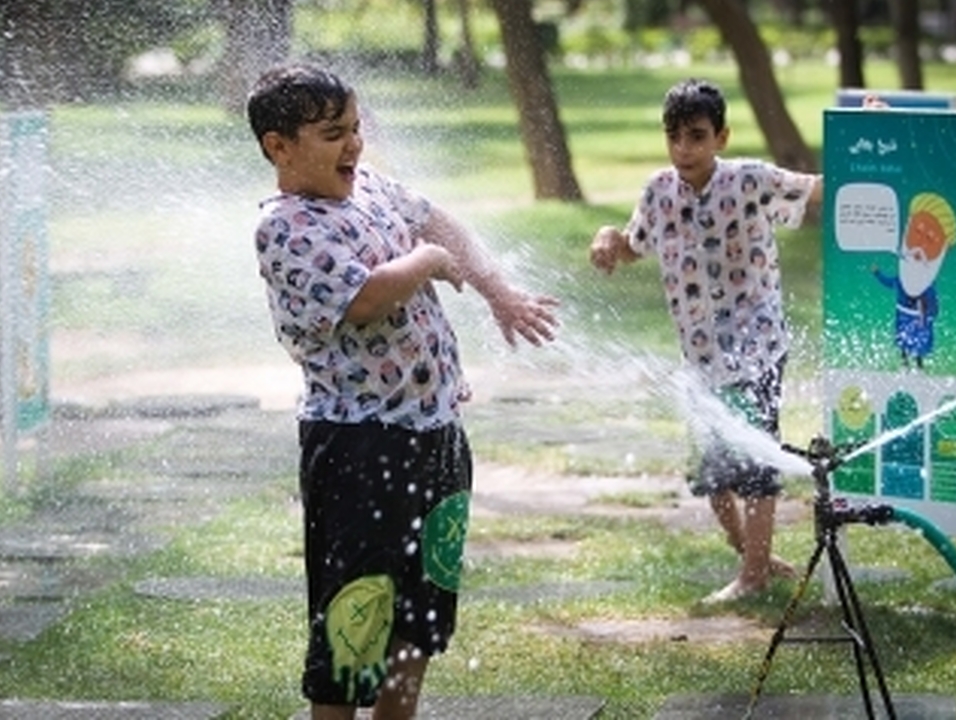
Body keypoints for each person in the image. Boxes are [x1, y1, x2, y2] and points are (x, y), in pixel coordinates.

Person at [248, 63, 559, 720]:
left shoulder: (369, 190)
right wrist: (429, 264)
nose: (354, 146)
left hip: (437, 434)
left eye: (357, 129)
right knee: (354, 617)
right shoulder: (285, 227)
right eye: (334, 134)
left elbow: (440, 221)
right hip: (362, 446)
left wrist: (497, 291)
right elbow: (364, 299)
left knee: (418, 613)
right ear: (279, 146)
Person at [588, 77, 820, 603]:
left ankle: (754, 576)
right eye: (674, 137)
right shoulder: (658, 191)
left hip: (757, 345)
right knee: (713, 476)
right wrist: (607, 239)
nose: (683, 149)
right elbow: (634, 245)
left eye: (696, 136)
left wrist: (867, 139)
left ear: (722, 137)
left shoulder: (749, 180)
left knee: (756, 463)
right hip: (702, 356)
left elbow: (816, 188)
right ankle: (755, 558)